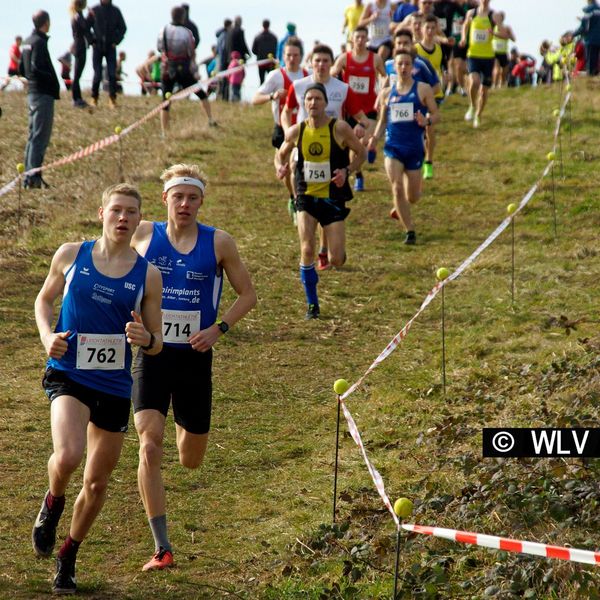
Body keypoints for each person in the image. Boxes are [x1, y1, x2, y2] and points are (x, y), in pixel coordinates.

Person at [32, 183, 163, 594]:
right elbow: (43, 300)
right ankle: (53, 501)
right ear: (101, 213)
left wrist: (145, 339)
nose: (123, 218)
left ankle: (68, 553)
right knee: (68, 455)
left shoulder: (148, 275)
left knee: (96, 483)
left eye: (132, 213)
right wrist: (46, 336)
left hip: (113, 384)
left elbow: (157, 341)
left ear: (140, 220)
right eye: (117, 210)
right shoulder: (72, 254)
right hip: (69, 372)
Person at [130, 163, 256, 571]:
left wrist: (218, 328)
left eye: (193, 197)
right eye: (178, 196)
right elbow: (120, 278)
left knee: (190, 459)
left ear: (202, 201)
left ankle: (186, 433)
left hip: (195, 357)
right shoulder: (144, 235)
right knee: (149, 444)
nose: (185, 204)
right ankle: (162, 547)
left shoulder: (219, 242)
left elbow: (247, 295)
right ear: (164, 198)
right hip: (151, 353)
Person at [275, 83, 366, 319]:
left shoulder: (340, 128)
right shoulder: (297, 130)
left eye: (317, 99)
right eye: (309, 99)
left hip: (333, 198)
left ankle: (334, 254)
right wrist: (280, 167)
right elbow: (281, 153)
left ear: (326, 103)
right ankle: (312, 305)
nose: (313, 103)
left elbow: (361, 152)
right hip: (306, 196)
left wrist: (347, 171)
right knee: (306, 248)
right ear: (304, 104)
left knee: (337, 259)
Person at [282, 44, 370, 271]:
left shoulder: (342, 88)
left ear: (332, 64)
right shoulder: (298, 86)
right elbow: (286, 109)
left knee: (337, 258)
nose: (321, 65)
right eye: (317, 61)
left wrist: (362, 127)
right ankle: (297, 203)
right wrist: (286, 130)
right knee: (296, 172)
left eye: (325, 61)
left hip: (333, 149)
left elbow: (361, 117)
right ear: (311, 63)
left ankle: (327, 245)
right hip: (303, 142)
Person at [369, 51, 439, 245]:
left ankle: (401, 207)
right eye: (400, 64)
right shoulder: (386, 93)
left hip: (415, 148)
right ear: (395, 67)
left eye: (407, 64)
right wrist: (374, 138)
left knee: (413, 196)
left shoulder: (423, 89)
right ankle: (410, 231)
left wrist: (426, 120)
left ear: (412, 67)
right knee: (397, 187)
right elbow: (383, 121)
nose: (403, 68)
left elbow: (436, 115)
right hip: (393, 148)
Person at [252, 37, 307, 218]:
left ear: (301, 56)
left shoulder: (308, 75)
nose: (292, 59)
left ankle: (300, 202)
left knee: (295, 164)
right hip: (281, 128)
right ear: (283, 56)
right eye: (288, 55)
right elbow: (255, 99)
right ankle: (293, 197)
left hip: (303, 129)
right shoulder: (276, 76)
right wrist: (273, 96)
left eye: (295, 55)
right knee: (287, 167)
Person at [331, 25, 386, 191]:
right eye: (357, 37)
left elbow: (385, 76)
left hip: (369, 109)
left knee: (361, 141)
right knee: (352, 145)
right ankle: (359, 175)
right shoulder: (344, 58)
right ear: (352, 40)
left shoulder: (375, 59)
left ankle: (370, 145)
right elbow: (333, 72)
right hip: (350, 109)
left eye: (363, 37)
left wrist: (383, 90)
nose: (361, 40)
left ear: (367, 38)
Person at [158, 6, 217, 133]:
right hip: (184, 70)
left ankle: (164, 131)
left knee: (165, 100)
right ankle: (210, 119)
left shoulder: (163, 30)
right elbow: (191, 52)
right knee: (200, 93)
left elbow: (159, 48)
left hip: (167, 69)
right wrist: (194, 70)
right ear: (183, 17)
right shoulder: (187, 33)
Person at [20, 11, 60, 190]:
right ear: (46, 23)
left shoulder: (27, 42)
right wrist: (51, 79)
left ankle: (30, 175)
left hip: (32, 93)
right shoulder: (39, 42)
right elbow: (35, 67)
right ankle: (33, 178)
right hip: (42, 93)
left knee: (33, 135)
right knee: (40, 136)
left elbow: (22, 67)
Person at [460, 0, 500, 128]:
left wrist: (494, 33)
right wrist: (463, 38)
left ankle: (478, 114)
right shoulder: (471, 13)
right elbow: (465, 26)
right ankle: (472, 105)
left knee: (483, 91)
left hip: (488, 57)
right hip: (473, 54)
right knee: (474, 81)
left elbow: (504, 33)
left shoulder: (494, 15)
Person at [415, 14, 444, 180]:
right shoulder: (416, 49)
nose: (431, 31)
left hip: (435, 94)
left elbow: (439, 71)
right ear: (421, 29)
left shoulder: (439, 49)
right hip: (418, 95)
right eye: (428, 27)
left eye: (434, 28)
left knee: (429, 127)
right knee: (418, 131)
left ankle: (429, 163)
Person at [69, 0, 94, 108]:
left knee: (77, 74)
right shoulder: (78, 16)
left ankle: (77, 97)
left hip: (79, 47)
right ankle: (76, 99)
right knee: (77, 74)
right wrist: (91, 17)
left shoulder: (76, 16)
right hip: (80, 48)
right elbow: (86, 26)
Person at [573, 0, 600, 76]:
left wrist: (573, 34)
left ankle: (591, 81)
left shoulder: (589, 10)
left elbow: (584, 28)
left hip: (591, 40)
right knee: (597, 62)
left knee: (591, 64)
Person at [491, 12, 515, 88]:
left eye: (501, 17)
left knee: (504, 71)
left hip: (503, 52)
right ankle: (494, 85)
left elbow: (513, 39)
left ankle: (501, 84)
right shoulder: (493, 26)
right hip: (495, 51)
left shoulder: (507, 28)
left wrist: (508, 35)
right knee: (496, 69)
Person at [252, 19, 278, 84]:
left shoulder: (257, 37)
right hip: (271, 63)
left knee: (262, 81)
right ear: (269, 25)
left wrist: (260, 54)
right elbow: (277, 49)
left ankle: (262, 93)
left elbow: (253, 50)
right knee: (271, 81)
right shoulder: (274, 37)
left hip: (261, 62)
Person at [215, 18, 232, 100]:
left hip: (219, 60)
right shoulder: (226, 36)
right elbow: (224, 49)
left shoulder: (220, 36)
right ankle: (223, 98)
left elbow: (217, 50)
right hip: (224, 61)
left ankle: (219, 97)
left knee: (220, 81)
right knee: (224, 81)